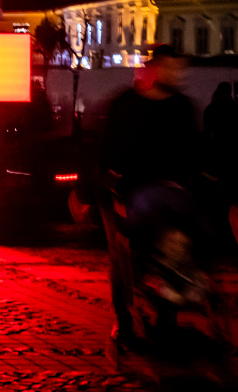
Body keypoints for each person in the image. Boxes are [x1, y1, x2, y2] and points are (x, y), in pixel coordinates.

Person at [97, 44, 200, 347]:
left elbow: (193, 150)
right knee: (122, 257)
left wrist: (194, 181)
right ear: (154, 69)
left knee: (171, 251)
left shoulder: (181, 105)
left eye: (180, 69)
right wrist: (113, 185)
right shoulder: (126, 104)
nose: (176, 74)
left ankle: (167, 321)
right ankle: (124, 320)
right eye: (170, 68)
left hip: (165, 193)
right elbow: (108, 152)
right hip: (125, 189)